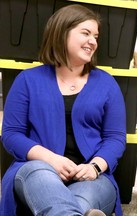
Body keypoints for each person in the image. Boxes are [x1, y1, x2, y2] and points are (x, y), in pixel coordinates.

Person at [0, 4, 126, 216]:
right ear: (61, 33)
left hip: (90, 176)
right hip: (37, 169)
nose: (93, 41)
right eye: (85, 33)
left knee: (74, 202)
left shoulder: (107, 84)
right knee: (43, 178)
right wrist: (51, 160)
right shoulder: (27, 80)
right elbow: (12, 135)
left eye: (95, 36)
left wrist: (95, 167)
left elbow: (115, 138)